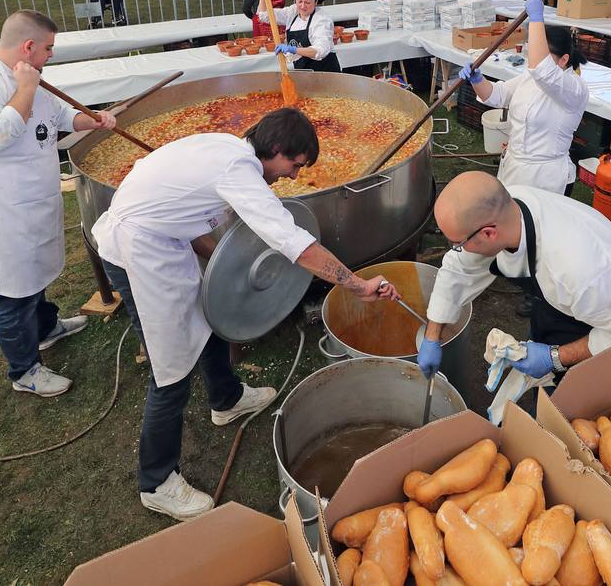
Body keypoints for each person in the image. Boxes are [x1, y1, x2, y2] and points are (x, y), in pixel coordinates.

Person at [91, 107, 391, 518]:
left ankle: (227, 399)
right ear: (278, 148)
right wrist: (357, 286)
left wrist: (221, 268)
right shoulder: (239, 171)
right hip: (138, 254)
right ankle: (156, 482)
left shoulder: (227, 147)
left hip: (162, 241)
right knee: (171, 370)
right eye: (295, 165)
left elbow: (182, 210)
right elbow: (293, 241)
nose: (294, 176)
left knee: (211, 315)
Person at [0, 11, 117, 398]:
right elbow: (1, 132)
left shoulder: (33, 77)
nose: (50, 56)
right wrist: (25, 86)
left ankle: (45, 328)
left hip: (30, 195)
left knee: (35, 271)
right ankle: (23, 371)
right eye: (48, 48)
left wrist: (87, 121)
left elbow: (57, 116)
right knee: (14, 290)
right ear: (28, 47)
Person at [416, 171, 611, 384]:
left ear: (489, 233)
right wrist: (432, 336)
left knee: (587, 392)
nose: (457, 250)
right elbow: (458, 270)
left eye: (458, 243)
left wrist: (554, 358)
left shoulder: (579, 271)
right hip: (561, 304)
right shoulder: (506, 210)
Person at [459, 0, 588, 194]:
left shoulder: (575, 89)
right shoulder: (530, 76)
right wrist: (478, 80)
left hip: (546, 177)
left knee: (538, 223)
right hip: (514, 167)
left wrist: (537, 19)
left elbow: (542, 70)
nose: (532, 60)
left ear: (563, 60)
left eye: (543, 54)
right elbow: (496, 95)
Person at [261, 0, 340, 72]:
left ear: (316, 2)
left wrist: (293, 49)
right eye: (300, 2)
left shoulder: (321, 20)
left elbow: (321, 50)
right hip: (304, 72)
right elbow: (265, 15)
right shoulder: (293, 11)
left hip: (325, 73)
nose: (302, 6)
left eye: (307, 2)